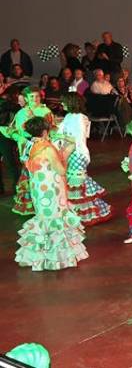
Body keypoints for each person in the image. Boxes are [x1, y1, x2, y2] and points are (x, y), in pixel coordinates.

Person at [15, 116, 88, 271]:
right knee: (55, 218)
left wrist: (62, 151)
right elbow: (61, 170)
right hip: (51, 188)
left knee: (44, 218)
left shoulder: (29, 145)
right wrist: (65, 156)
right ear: (44, 131)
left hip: (37, 188)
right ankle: (55, 257)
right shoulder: (47, 148)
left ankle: (38, 255)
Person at [57, 93, 112, 226]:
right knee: (72, 182)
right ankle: (75, 213)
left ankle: (86, 214)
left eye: (64, 102)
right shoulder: (69, 116)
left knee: (78, 183)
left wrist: (61, 136)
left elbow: (78, 138)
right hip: (69, 151)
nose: (62, 104)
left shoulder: (80, 118)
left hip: (77, 153)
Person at [5, 86, 54, 216]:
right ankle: (31, 202)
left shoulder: (45, 111)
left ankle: (43, 200)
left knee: (39, 174)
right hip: (26, 147)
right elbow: (13, 129)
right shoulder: (21, 113)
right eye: (31, 96)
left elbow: (49, 129)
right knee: (27, 174)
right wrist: (19, 138)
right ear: (26, 98)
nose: (35, 99)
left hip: (40, 147)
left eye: (37, 96)